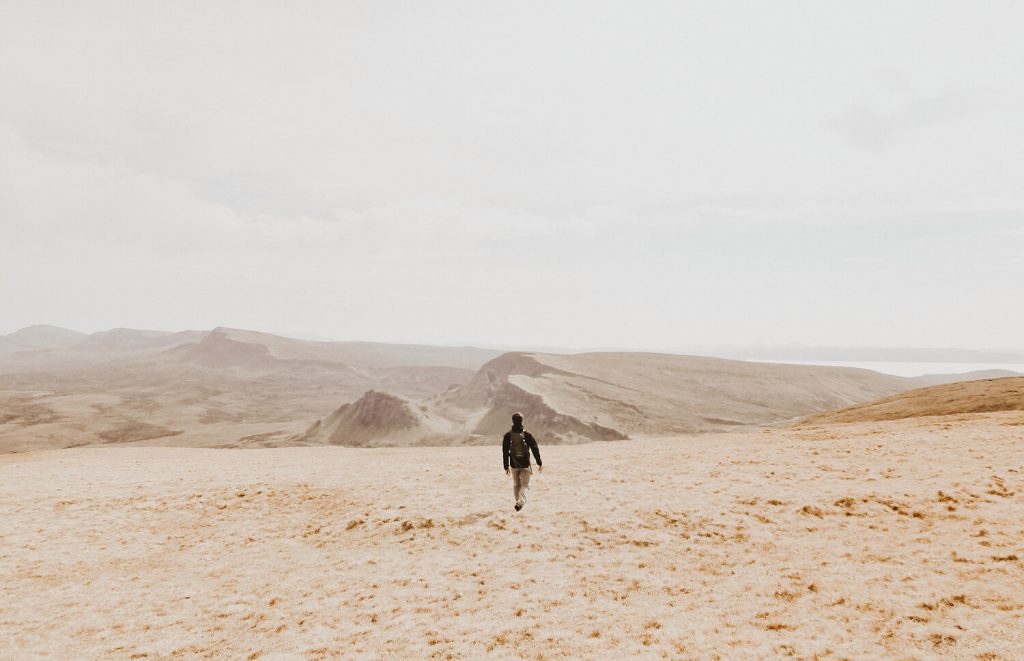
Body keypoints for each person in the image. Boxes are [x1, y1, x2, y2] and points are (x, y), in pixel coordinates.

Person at [502, 412, 542, 511]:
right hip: (525, 464)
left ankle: (518, 503)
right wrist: (539, 462)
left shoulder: (508, 435)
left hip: (513, 464)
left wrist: (506, 466)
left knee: (516, 485)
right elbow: (535, 449)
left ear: (512, 421)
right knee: (525, 485)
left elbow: (505, 452)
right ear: (522, 421)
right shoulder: (527, 435)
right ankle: (520, 502)